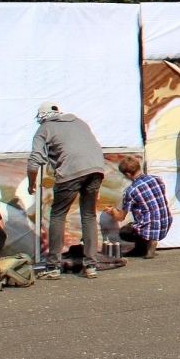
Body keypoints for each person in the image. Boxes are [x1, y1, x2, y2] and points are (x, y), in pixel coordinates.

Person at [28, 102, 111, 280]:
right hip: (96, 169)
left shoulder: (44, 129)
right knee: (89, 215)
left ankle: (53, 267)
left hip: (71, 171)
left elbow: (35, 160)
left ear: (41, 117)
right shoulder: (79, 122)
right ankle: (91, 266)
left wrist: (31, 184)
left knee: (58, 215)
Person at [105, 157, 172, 258]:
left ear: (127, 174)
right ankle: (148, 245)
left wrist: (113, 210)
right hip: (165, 223)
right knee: (142, 216)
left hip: (150, 228)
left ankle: (145, 245)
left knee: (125, 232)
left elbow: (120, 217)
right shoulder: (157, 179)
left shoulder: (131, 191)